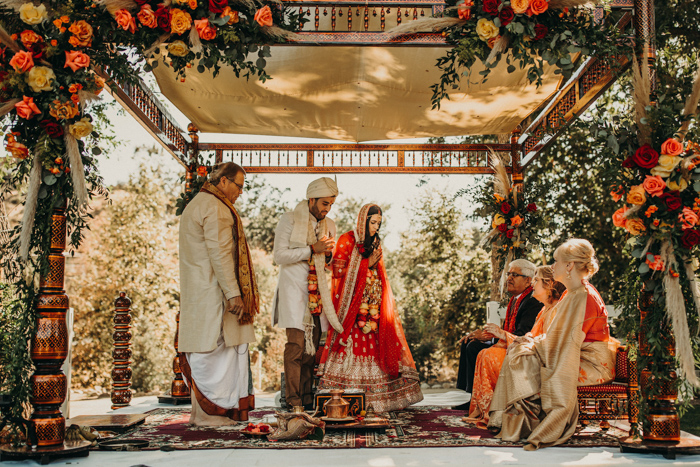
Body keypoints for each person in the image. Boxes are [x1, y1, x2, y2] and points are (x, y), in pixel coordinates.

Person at [488, 239, 617, 450]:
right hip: (575, 354)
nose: (552, 266)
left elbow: (565, 343)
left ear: (569, 266)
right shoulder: (572, 293)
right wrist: (529, 342)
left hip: (592, 365)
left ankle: (526, 424)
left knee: (523, 356)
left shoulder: (583, 295)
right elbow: (557, 337)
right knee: (521, 351)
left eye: (556, 261)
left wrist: (531, 344)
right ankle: (515, 422)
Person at [317, 204, 423, 412]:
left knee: (375, 347)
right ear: (363, 221)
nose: (375, 228)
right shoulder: (347, 240)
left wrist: (372, 269)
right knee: (352, 345)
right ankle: (344, 398)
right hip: (351, 311)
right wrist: (367, 263)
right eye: (373, 223)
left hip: (371, 305)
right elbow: (338, 273)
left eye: (378, 224)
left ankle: (379, 399)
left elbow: (380, 274)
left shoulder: (374, 241)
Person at [178, 162, 260, 426]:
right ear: (223, 181)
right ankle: (209, 415)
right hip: (215, 292)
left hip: (200, 290)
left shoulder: (199, 202)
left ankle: (202, 413)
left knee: (205, 347)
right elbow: (221, 255)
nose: (240, 192)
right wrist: (234, 293)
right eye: (239, 186)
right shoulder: (216, 209)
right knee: (214, 351)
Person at [272, 177, 344, 410]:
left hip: (318, 291)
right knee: (295, 348)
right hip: (294, 290)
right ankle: (293, 402)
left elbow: (329, 262)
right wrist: (312, 249)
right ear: (311, 199)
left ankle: (306, 399)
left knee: (311, 351)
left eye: (331, 204)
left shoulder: (330, 224)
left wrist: (328, 256)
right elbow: (280, 256)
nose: (327, 209)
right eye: (324, 203)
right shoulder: (289, 219)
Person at [463, 265, 565, 427]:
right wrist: (507, 338)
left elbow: (546, 342)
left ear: (548, 285)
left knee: (488, 355)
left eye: (536, 280)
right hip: (530, 352)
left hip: (538, 359)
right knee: (483, 352)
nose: (532, 284)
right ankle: (484, 408)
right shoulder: (544, 309)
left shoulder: (553, 310)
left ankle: (493, 409)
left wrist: (506, 336)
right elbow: (531, 335)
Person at [453, 259, 542, 410]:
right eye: (508, 274)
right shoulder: (516, 299)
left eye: (514, 275)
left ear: (528, 281)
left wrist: (492, 337)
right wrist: (486, 335)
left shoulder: (532, 301)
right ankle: (473, 396)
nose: (509, 278)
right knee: (468, 342)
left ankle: (478, 398)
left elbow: (521, 334)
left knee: (475, 347)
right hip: (507, 342)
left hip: (520, 349)